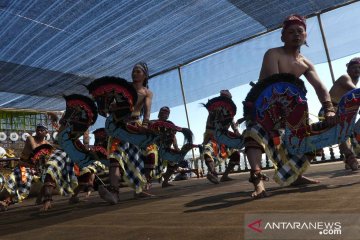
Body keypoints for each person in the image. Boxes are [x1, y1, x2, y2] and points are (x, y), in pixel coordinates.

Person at [243, 14, 336, 198]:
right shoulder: (273, 54)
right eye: (291, 31)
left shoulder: (306, 63)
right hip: (264, 105)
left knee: (307, 137)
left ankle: (296, 175)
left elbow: (320, 87)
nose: (296, 35)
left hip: (290, 106)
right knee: (254, 135)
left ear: (305, 36)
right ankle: (258, 182)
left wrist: (329, 108)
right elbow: (275, 84)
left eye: (300, 31)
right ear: (283, 36)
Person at [100, 62, 155, 204]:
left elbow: (147, 112)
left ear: (145, 75)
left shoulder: (147, 92)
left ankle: (140, 189)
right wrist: (109, 107)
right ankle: (114, 193)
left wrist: (145, 125)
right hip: (119, 126)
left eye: (138, 71)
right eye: (133, 71)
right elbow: (111, 106)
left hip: (135, 126)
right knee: (114, 157)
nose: (134, 73)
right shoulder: (123, 88)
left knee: (147, 154)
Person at [0, 124, 51, 211]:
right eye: (38, 129)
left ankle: (41, 199)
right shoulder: (30, 138)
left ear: (46, 133)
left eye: (42, 130)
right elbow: (36, 150)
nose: (39, 131)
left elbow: (48, 156)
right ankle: (6, 201)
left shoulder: (47, 143)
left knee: (49, 178)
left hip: (37, 169)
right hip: (24, 167)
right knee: (16, 184)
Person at [202, 90, 241, 184]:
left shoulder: (229, 114)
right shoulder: (213, 110)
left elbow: (234, 128)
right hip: (212, 136)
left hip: (224, 137)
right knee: (208, 152)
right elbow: (210, 126)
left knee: (236, 154)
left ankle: (224, 176)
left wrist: (238, 137)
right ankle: (212, 172)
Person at [328, 57, 360, 170]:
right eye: (354, 68)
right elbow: (356, 92)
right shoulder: (345, 78)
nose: (357, 70)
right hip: (330, 110)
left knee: (347, 133)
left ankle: (349, 159)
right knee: (342, 133)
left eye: (359, 68)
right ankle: (351, 158)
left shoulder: (356, 81)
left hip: (344, 111)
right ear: (348, 70)